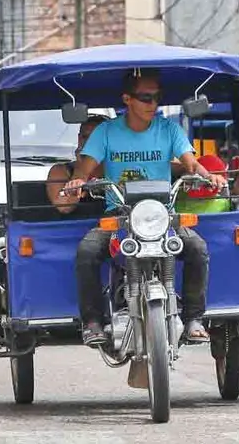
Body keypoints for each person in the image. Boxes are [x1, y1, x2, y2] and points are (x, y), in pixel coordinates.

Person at [63, 69, 228, 346]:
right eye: (146, 98)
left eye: (157, 98)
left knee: (198, 248)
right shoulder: (106, 132)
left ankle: (193, 319)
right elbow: (84, 167)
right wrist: (79, 179)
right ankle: (93, 322)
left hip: (163, 215)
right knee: (87, 251)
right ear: (127, 99)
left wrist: (207, 175)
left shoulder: (169, 130)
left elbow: (190, 163)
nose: (153, 104)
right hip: (120, 216)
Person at [46, 115, 109, 214]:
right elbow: (64, 208)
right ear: (79, 139)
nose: (89, 142)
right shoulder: (61, 170)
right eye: (85, 137)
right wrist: (81, 168)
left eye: (96, 138)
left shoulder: (117, 168)